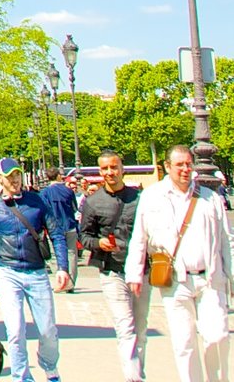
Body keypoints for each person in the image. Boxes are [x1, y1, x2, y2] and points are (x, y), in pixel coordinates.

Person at [128, 146, 234, 382]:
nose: (185, 169)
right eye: (180, 165)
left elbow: (227, 240)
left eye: (188, 164)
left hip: (210, 279)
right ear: (167, 167)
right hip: (174, 281)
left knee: (217, 336)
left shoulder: (209, 198)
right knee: (184, 342)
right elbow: (139, 237)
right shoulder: (152, 197)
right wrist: (134, 273)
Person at [0, 159, 61, 382]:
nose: (15, 179)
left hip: (36, 272)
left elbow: (56, 233)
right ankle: (21, 377)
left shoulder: (36, 202)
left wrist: (63, 268)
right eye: (9, 176)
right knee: (15, 331)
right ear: (0, 179)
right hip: (8, 272)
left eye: (17, 174)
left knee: (48, 331)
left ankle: (49, 365)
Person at [80, 150, 151, 382]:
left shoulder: (139, 199)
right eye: (105, 168)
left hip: (141, 271)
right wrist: (99, 243)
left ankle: (139, 372)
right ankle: (133, 377)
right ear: (99, 172)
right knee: (125, 327)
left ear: (122, 169)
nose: (110, 172)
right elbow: (85, 237)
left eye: (114, 167)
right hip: (112, 271)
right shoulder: (92, 202)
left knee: (140, 328)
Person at [39, 171, 80, 290]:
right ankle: (71, 283)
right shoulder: (68, 190)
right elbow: (74, 208)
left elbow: (44, 211)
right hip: (70, 225)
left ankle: (61, 281)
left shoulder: (45, 193)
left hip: (54, 227)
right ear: (58, 176)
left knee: (54, 254)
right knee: (72, 254)